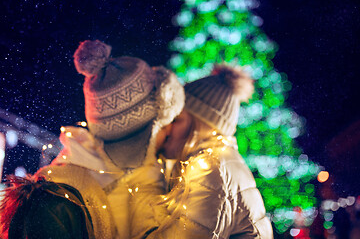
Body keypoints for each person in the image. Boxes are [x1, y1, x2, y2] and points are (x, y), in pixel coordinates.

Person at [0, 40, 185, 239]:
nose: (169, 133)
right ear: (145, 131)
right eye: (164, 125)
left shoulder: (124, 183)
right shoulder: (52, 204)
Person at [147, 64, 273, 238]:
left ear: (201, 125)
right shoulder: (224, 160)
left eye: (177, 119)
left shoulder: (209, 169)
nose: (167, 127)